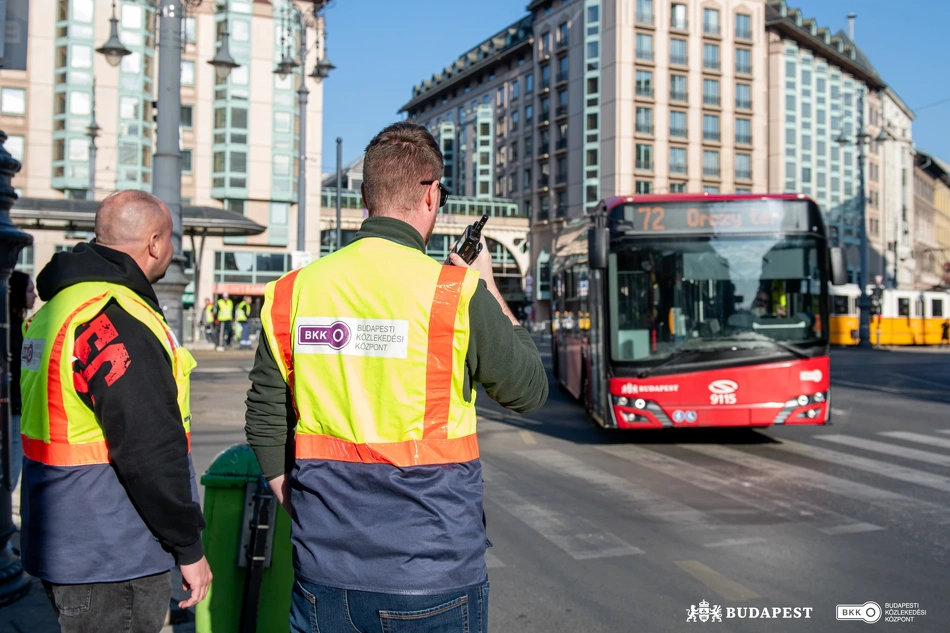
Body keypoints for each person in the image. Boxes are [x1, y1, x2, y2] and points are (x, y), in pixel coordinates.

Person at [245, 122, 548, 633]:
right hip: (432, 575)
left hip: (324, 577)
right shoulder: (455, 293)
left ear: (366, 197)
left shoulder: (291, 292)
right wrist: (490, 288)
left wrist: (307, 512)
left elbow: (265, 417)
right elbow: (529, 391)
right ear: (431, 194)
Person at [20, 190, 212, 633]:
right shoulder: (114, 318)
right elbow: (149, 447)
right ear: (155, 243)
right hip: (112, 550)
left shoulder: (59, 308)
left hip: (63, 536)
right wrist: (188, 547)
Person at [9, 270, 36, 498]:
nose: (35, 296)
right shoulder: (14, 329)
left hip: (16, 408)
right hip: (13, 411)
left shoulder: (19, 327)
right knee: (10, 473)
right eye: (30, 290)